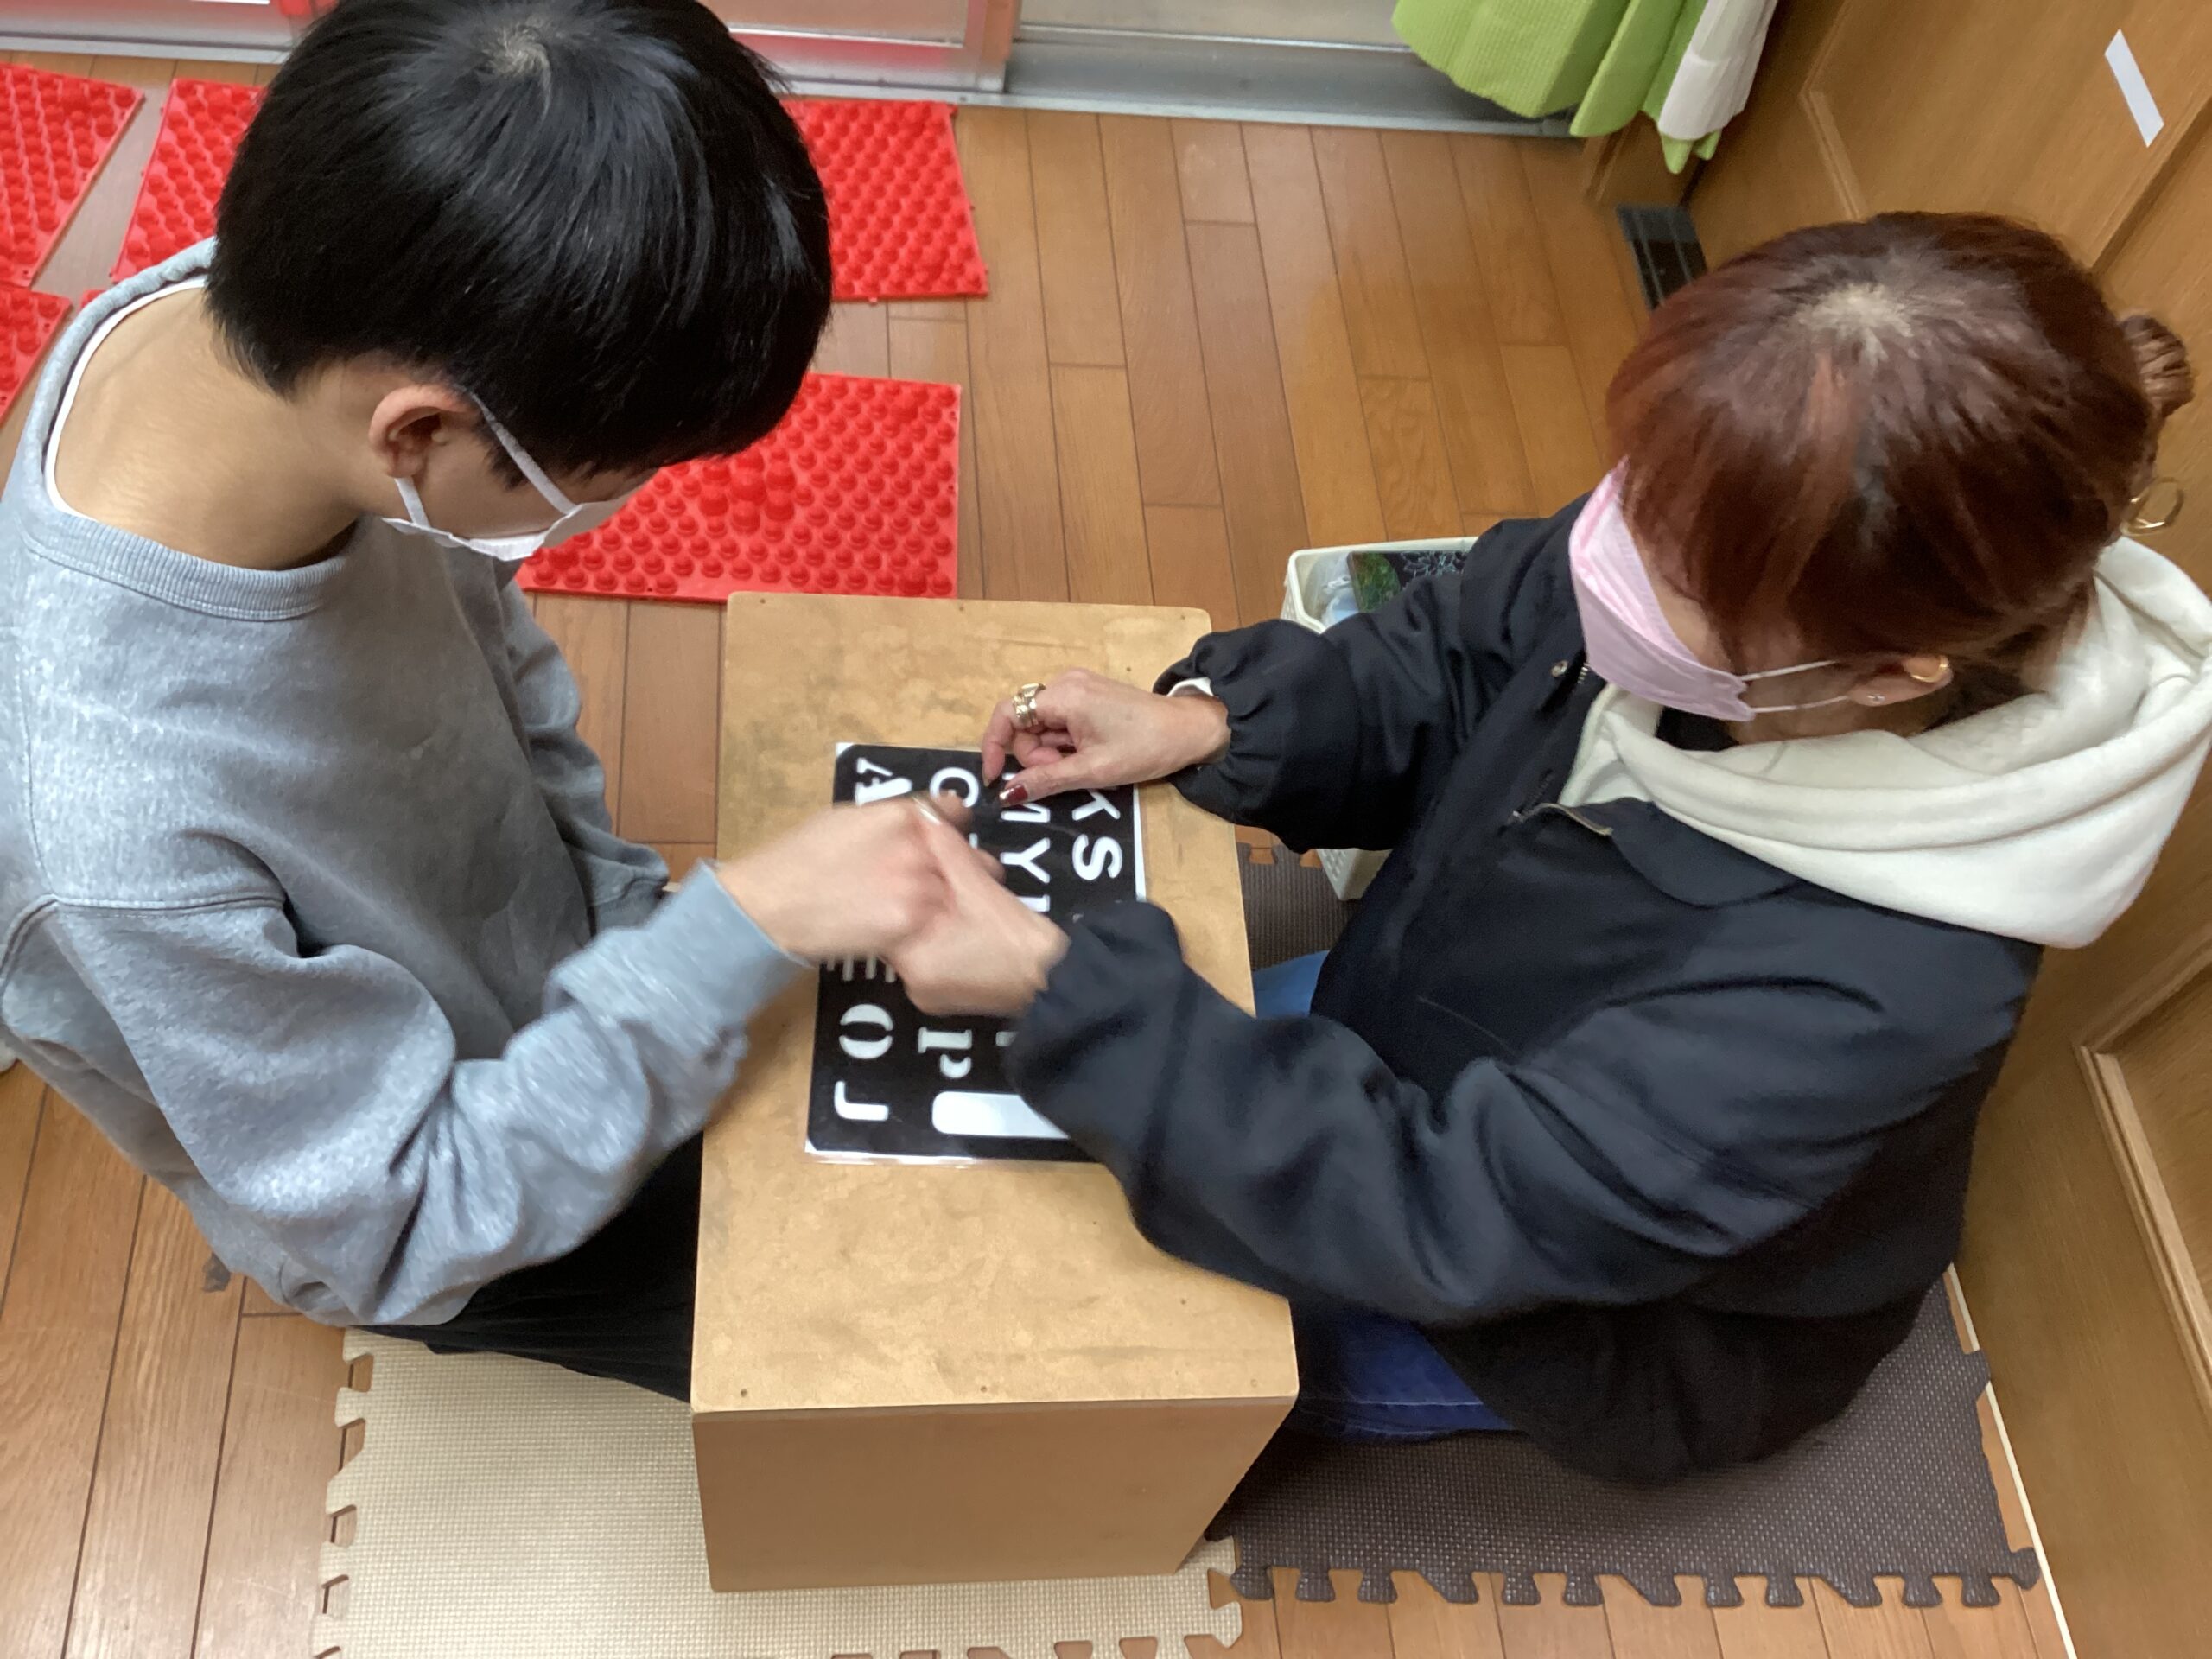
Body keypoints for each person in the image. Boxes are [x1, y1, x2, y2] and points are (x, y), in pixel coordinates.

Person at [887, 213, 2212, 1480]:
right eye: (1633, 493)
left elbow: (1448, 1213)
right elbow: (1461, 650)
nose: (1605, 556)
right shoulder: (1725, 521)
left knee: (1059, 1326)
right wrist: (1217, 723)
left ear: (1884, 675)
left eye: (1673, 578)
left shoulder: (1880, 990)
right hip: (1437, 1038)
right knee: (1062, 1130)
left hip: (1583, 1312)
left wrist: (1061, 994)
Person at [0, 0, 977, 1397]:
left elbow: (497, 654)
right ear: (417, 433)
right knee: (918, 1329)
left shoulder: (283, 315)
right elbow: (400, 1218)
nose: (623, 503)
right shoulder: (111, 843)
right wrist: (726, 940)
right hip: (444, 1197)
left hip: (556, 985)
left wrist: (636, 927)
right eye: (616, 477)